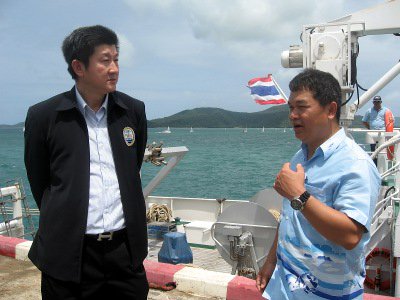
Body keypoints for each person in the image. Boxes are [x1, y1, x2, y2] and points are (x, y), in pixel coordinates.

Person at [24, 25, 149, 299]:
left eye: (116, 59)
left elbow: (132, 167)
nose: (114, 68)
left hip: (124, 252)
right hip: (69, 253)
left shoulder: (133, 111)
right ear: (79, 67)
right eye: (105, 60)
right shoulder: (44, 116)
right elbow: (40, 180)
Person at [256, 69, 380, 299]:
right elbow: (288, 219)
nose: (292, 115)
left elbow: (351, 236)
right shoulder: (300, 157)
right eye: (290, 108)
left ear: (331, 110)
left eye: (301, 107)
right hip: (283, 288)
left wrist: (299, 196)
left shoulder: (356, 164)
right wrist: (271, 261)